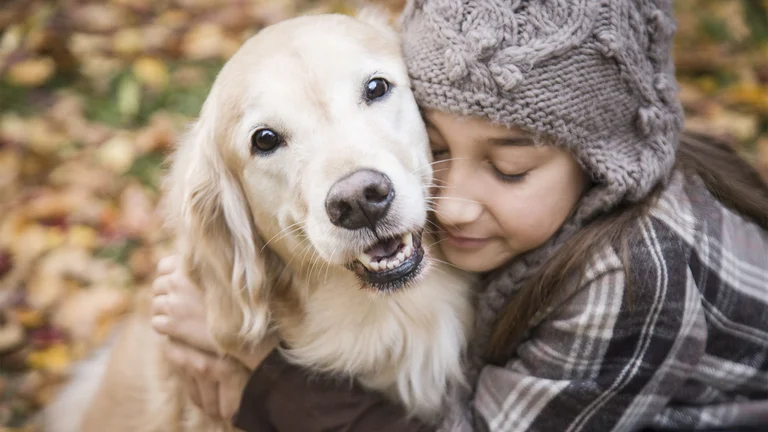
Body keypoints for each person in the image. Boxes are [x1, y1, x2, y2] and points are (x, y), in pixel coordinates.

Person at [150, 0, 768, 430]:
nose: (454, 200)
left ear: (599, 166)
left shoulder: (633, 278)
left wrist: (267, 384)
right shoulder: (513, 222)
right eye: (440, 150)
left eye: (375, 91)